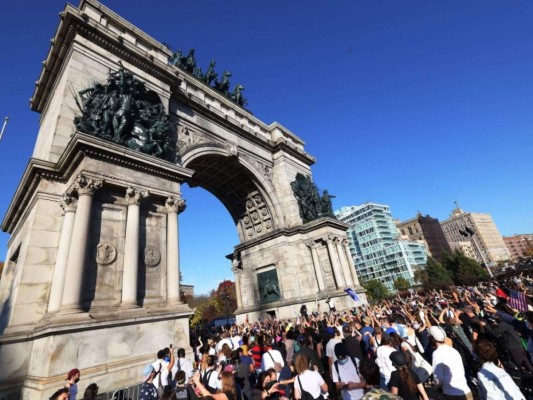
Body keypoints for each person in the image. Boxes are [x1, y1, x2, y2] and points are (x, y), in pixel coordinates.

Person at [429, 326, 473, 400]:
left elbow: (438, 378)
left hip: (452, 394)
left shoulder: (437, 353)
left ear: (432, 338)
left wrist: (436, 386)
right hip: (466, 390)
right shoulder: (453, 350)